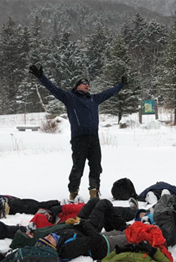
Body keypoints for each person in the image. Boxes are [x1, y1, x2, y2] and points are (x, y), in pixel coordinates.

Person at [29, 64, 126, 201]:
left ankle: (94, 192)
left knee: (96, 166)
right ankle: (73, 192)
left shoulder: (94, 99)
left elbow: (108, 93)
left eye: (88, 84)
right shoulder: (70, 98)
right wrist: (41, 77)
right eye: (84, 83)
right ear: (77, 86)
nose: (87, 86)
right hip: (79, 139)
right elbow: (53, 89)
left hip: (93, 138)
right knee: (78, 167)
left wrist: (120, 85)